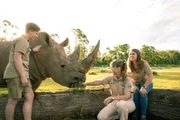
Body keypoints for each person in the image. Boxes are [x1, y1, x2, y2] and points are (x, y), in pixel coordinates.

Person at [3, 22, 41, 120]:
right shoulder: (22, 41)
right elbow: (17, 58)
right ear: (30, 31)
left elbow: (22, 53)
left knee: (30, 96)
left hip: (22, 74)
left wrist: (32, 50)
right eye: (36, 33)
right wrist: (23, 76)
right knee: (13, 100)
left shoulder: (24, 42)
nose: (37, 36)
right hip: (16, 75)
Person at [127, 49, 153, 120]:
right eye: (130, 54)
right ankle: (135, 115)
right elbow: (128, 77)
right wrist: (133, 85)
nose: (131, 55)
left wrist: (144, 87)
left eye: (133, 54)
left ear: (137, 55)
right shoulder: (128, 64)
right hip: (136, 84)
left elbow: (150, 76)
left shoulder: (144, 63)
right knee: (135, 93)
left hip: (146, 83)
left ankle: (143, 116)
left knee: (142, 93)